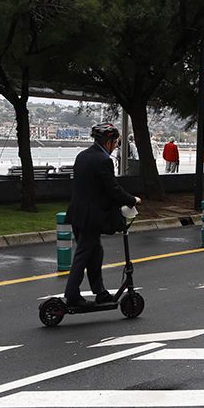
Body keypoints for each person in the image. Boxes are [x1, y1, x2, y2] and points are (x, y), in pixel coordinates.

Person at [63, 122, 140, 307]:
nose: (115, 146)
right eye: (115, 142)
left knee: (95, 253)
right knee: (83, 254)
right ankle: (71, 294)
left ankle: (101, 292)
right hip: (91, 216)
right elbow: (112, 188)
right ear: (108, 142)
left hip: (77, 213)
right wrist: (132, 200)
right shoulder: (104, 160)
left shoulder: (82, 156)